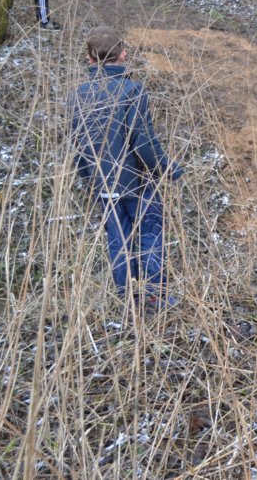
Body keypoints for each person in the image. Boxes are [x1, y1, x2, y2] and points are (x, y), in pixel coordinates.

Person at [70, 27, 183, 308]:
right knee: (150, 232)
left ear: (89, 59)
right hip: (136, 181)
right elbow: (143, 141)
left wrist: (89, 179)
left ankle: (128, 298)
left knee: (117, 239)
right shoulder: (132, 90)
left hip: (102, 183)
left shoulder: (77, 96)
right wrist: (167, 169)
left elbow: (77, 145)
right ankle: (154, 295)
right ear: (124, 54)